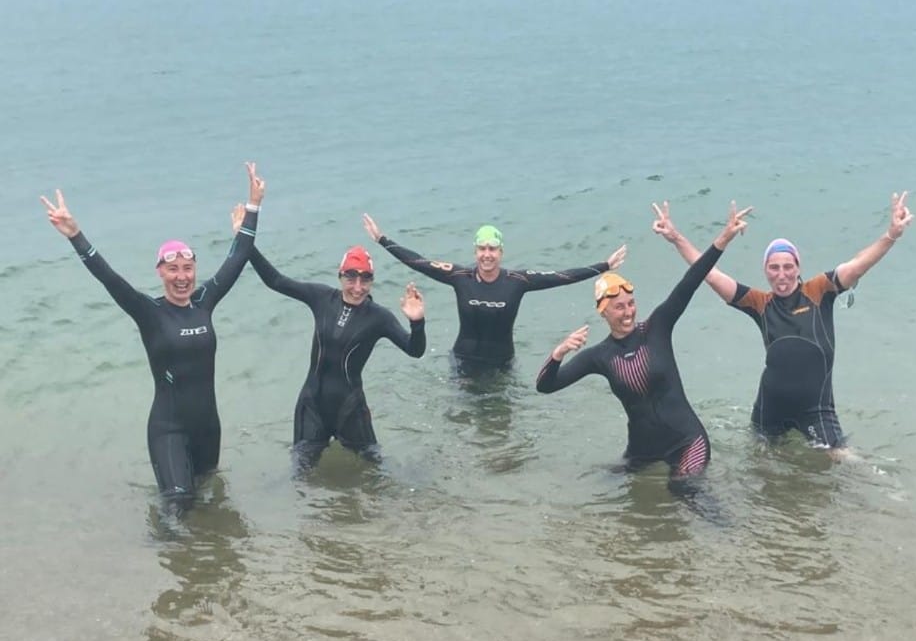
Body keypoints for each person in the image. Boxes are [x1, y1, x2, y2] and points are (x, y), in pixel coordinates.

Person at [40, 163, 265, 509]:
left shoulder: (205, 302)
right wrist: (75, 235)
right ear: (160, 272)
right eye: (173, 269)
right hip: (168, 429)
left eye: (187, 268)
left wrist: (253, 206)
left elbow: (237, 259)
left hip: (208, 428)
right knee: (177, 509)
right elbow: (109, 279)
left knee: (210, 503)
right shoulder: (149, 312)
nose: (181, 277)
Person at [651, 193, 915, 457]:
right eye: (774, 267)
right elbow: (709, 275)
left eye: (788, 266)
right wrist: (676, 238)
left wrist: (891, 235)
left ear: (798, 267)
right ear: (765, 270)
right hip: (770, 409)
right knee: (761, 466)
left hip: (816, 409)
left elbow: (858, 266)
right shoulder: (759, 303)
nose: (781, 275)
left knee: (846, 461)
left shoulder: (820, 290)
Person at [535, 202, 749, 484]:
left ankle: (728, 514)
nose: (628, 312)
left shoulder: (657, 327)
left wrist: (724, 237)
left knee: (683, 490)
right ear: (603, 312)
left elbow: (692, 279)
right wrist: (559, 353)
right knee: (600, 487)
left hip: (687, 442)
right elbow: (546, 386)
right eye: (619, 307)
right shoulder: (599, 356)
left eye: (631, 304)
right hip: (643, 451)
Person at [246, 231, 427, 472]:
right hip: (312, 404)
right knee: (301, 477)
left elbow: (415, 350)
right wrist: (245, 240)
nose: (358, 288)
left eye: (365, 280)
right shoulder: (321, 298)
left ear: (372, 281)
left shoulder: (379, 317)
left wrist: (417, 322)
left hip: (350, 408)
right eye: (351, 278)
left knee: (375, 475)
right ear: (340, 276)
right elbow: (276, 281)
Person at [363, 213, 627, 375]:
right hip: (462, 362)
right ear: (475, 251)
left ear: (501, 252)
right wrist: (382, 240)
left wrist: (604, 266)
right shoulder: (459, 276)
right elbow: (419, 262)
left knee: (502, 429)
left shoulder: (518, 281)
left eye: (492, 249)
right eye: (482, 248)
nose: (487, 254)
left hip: (502, 365)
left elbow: (561, 276)